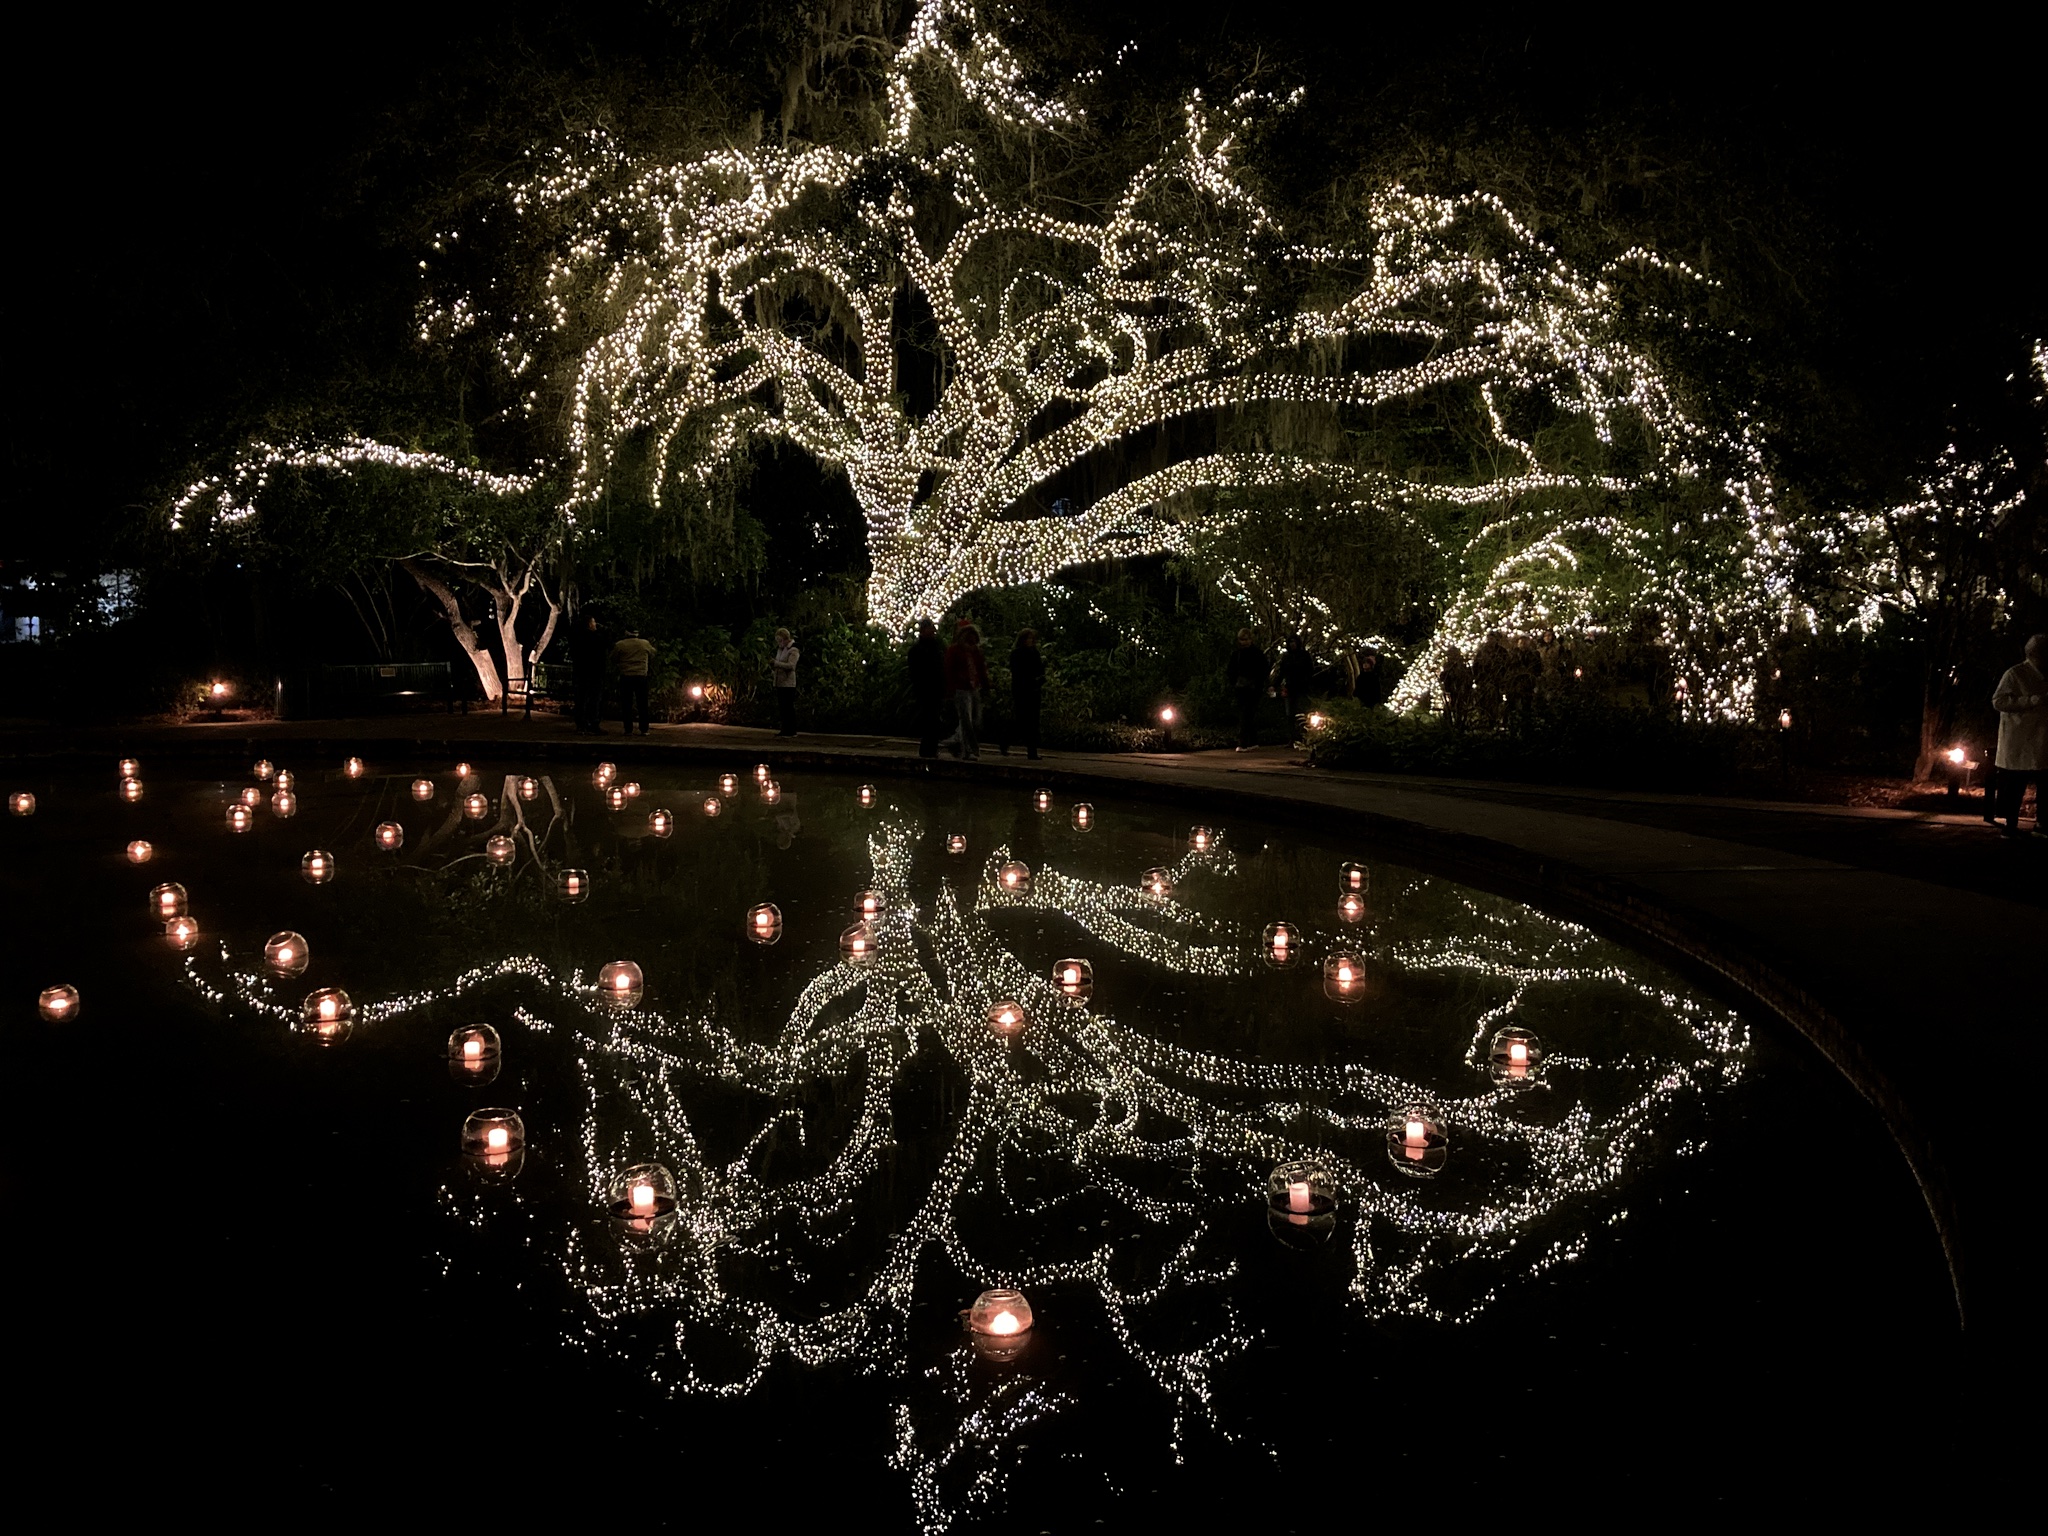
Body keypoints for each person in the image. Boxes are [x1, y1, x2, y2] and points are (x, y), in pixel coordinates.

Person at [1990, 633, 2047, 837]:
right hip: (2018, 739)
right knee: (2014, 784)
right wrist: (2030, 701)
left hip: (2041, 738)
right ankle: (2010, 823)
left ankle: (2043, 823)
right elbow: (1998, 701)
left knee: (2043, 782)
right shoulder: (2015, 674)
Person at [942, 622, 990, 759]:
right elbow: (949, 670)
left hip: (973, 687)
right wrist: (950, 689)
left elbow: (981, 669)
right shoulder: (955, 651)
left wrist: (985, 685)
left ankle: (956, 740)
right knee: (966, 720)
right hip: (961, 688)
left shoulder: (975, 652)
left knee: (975, 719)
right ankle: (969, 750)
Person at [907, 618, 946, 757]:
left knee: (933, 719)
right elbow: (915, 670)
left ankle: (930, 749)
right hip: (925, 688)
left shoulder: (935, 647)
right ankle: (927, 749)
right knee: (930, 718)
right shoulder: (919, 650)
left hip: (934, 688)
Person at [1226, 628, 1268, 751]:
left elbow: (1263, 670)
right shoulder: (1237, 654)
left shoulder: (1257, 654)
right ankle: (1252, 741)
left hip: (1253, 688)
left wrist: (1258, 682)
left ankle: (1244, 742)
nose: (1243, 642)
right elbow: (1231, 670)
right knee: (1247, 714)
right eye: (1241, 639)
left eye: (1245, 639)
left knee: (1246, 714)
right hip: (1241, 687)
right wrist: (1234, 681)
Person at [610, 627, 656, 736]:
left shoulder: (620, 644)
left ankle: (628, 729)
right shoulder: (644, 643)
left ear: (626, 633)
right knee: (642, 703)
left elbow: (613, 658)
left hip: (626, 676)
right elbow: (653, 654)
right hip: (641, 676)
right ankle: (644, 729)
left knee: (627, 704)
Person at [1009, 628, 1045, 760]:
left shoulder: (1034, 653)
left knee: (1033, 721)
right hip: (1022, 690)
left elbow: (1040, 669)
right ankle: (1007, 740)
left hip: (1033, 690)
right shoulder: (1017, 654)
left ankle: (1032, 751)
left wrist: (1040, 679)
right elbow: (1016, 672)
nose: (1030, 641)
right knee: (1022, 720)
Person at [1272, 635, 1315, 741]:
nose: (1292, 644)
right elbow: (1282, 672)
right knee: (1290, 714)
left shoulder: (1304, 655)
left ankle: (1304, 737)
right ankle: (1292, 738)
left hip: (1302, 688)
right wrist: (1274, 685)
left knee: (1302, 714)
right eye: (1290, 642)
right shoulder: (1287, 657)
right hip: (1290, 688)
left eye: (1294, 642)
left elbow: (1310, 671)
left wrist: (1307, 682)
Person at [570, 614, 608, 733]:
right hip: (594, 672)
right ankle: (593, 723)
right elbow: (603, 651)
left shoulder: (577, 639)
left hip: (581, 672)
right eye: (593, 622)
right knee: (594, 698)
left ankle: (581, 724)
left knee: (581, 698)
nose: (595, 624)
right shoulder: (597, 638)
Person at [771, 627, 801, 737]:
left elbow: (791, 665)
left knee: (788, 707)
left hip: (788, 683)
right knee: (782, 707)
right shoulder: (781, 650)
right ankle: (784, 729)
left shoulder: (793, 650)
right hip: (780, 682)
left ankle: (791, 730)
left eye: (780, 640)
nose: (779, 643)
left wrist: (776, 664)